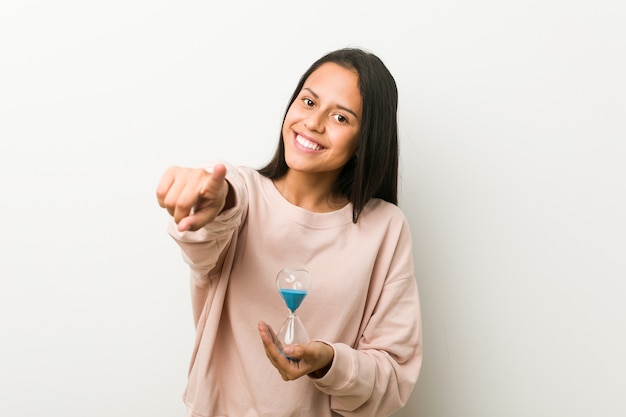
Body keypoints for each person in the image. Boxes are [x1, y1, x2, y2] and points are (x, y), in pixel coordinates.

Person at [156, 47, 422, 417]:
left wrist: (329, 362)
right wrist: (208, 202)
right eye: (309, 101)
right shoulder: (242, 193)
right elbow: (213, 227)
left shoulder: (384, 228)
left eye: (341, 117)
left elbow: (394, 376)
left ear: (365, 141)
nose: (313, 123)